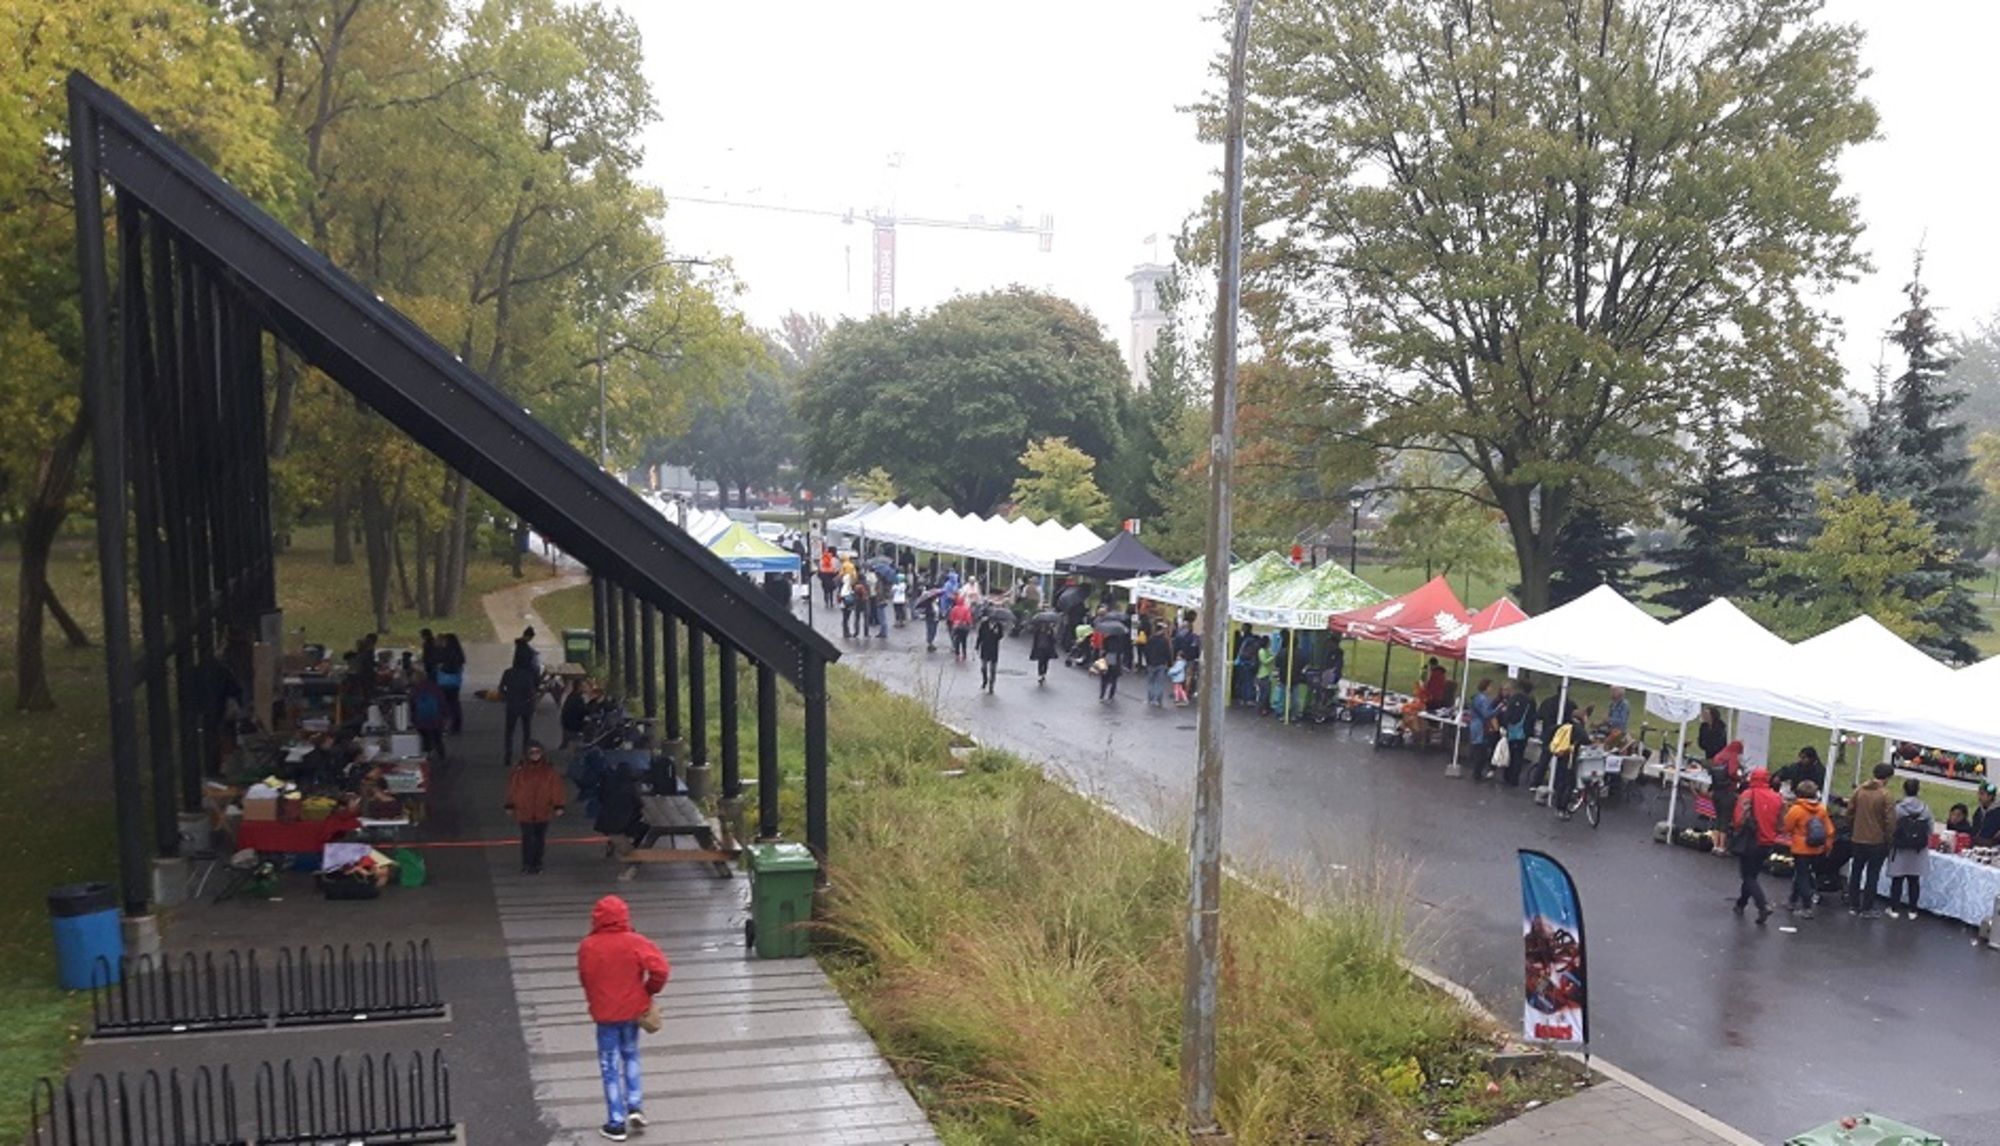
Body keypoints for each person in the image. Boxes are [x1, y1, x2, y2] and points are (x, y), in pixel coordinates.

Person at [576, 895, 670, 1141]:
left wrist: (596, 1000)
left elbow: (586, 978)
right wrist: (649, 990)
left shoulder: (588, 945)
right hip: (632, 1011)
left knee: (609, 1066)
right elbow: (661, 968)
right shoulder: (635, 941)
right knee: (631, 1055)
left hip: (605, 1016)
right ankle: (635, 1106)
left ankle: (615, 1123)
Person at [1731, 766, 1783, 923]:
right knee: (1752, 875)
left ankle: (1762, 905)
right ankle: (1741, 903)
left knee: (1747, 876)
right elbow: (1781, 824)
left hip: (1750, 840)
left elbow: (1739, 819)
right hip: (1767, 842)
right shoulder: (1777, 797)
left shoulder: (1748, 794)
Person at [505, 741, 565, 875]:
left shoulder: (549, 772)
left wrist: (558, 805)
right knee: (528, 838)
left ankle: (537, 863)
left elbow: (556, 789)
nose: (535, 755)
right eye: (532, 752)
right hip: (524, 810)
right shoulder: (519, 771)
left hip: (542, 810)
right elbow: (513, 789)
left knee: (539, 838)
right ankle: (527, 864)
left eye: (537, 752)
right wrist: (510, 804)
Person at [1846, 762, 1897, 918]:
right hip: (1877, 841)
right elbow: (1890, 821)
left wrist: (1853, 828)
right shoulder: (1886, 795)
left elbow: (1850, 811)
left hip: (1858, 837)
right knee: (1872, 874)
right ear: (1887, 778)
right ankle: (1867, 907)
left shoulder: (1859, 790)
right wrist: (1889, 839)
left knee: (1856, 871)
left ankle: (1853, 904)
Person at [1782, 779, 1834, 918]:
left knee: (1802, 876)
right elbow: (1829, 830)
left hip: (1800, 848)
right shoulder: (1821, 810)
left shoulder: (1797, 809)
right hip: (1816, 848)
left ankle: (1806, 906)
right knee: (1802, 874)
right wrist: (1827, 847)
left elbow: (1787, 827)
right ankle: (1792, 900)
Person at [1886, 777, 1934, 921]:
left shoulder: (1899, 808)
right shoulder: (1925, 808)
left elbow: (1891, 825)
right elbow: (1930, 828)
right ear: (1918, 791)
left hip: (1900, 849)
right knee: (1914, 880)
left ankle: (1894, 908)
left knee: (1898, 879)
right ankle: (1913, 910)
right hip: (1918, 850)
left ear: (1904, 790)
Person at [1550, 702, 1589, 816]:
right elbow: (1586, 740)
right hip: (1570, 758)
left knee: (1561, 780)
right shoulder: (1578, 728)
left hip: (1561, 755)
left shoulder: (1566, 725)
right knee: (1569, 783)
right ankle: (1562, 808)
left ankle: (1558, 803)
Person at [499, 660, 540, 765]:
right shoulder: (529, 674)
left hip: (512, 705)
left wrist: (507, 696)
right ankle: (525, 754)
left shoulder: (508, 672)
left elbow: (501, 688)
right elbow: (533, 689)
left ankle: (508, 753)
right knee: (526, 731)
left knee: (509, 731)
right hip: (526, 705)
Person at [1500, 682, 1534, 787]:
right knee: (1519, 755)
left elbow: (1507, 714)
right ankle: (1514, 779)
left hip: (1512, 730)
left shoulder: (1514, 698)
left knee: (1510, 753)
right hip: (1523, 732)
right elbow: (1532, 717)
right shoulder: (1531, 701)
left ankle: (1506, 775)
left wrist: (1506, 725)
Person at [409, 669, 447, 757]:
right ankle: (441, 754)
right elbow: (442, 702)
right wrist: (445, 715)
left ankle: (427, 754)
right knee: (438, 738)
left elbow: (412, 706)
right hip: (436, 719)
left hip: (421, 720)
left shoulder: (415, 690)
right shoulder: (435, 687)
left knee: (425, 738)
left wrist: (412, 718)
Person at [1468, 678, 1498, 780]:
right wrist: (1498, 709)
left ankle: (1476, 773)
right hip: (1481, 727)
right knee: (1481, 752)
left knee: (1478, 750)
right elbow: (1486, 714)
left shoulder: (1477, 697)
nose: (1492, 688)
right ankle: (1477, 774)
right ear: (1486, 687)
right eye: (1490, 686)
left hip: (1475, 725)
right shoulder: (1483, 699)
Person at [436, 634, 467, 734]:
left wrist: (440, 667)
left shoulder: (445, 652)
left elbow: (445, 667)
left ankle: (446, 725)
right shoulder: (459, 653)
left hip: (444, 682)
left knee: (445, 704)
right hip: (455, 683)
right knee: (454, 703)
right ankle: (456, 725)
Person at [1143, 622, 1173, 707]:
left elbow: (1146, 651)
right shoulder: (1164, 641)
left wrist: (1147, 661)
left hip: (1151, 663)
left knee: (1151, 682)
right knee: (1159, 682)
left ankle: (1150, 698)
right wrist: (1169, 663)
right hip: (1161, 663)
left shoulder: (1150, 639)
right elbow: (1168, 653)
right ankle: (1157, 699)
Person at [975, 609, 1006, 692]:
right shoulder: (984, 624)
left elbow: (1000, 636)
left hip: (994, 649)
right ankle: (985, 680)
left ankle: (991, 685)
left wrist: (997, 633)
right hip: (985, 648)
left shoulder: (999, 626)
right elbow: (980, 636)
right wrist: (977, 646)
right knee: (983, 667)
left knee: (993, 669)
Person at [1098, 626, 1127, 702]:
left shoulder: (1106, 639)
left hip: (1106, 660)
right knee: (1114, 679)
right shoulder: (1121, 641)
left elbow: (1102, 650)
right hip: (1116, 661)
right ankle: (1110, 696)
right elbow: (1122, 652)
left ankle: (1102, 695)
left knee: (1104, 679)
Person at [1029, 613, 1060, 684]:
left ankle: (1044, 674)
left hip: (1048, 649)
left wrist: (1051, 635)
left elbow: (1054, 641)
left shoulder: (1050, 631)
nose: (1043, 625)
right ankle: (1040, 674)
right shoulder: (1037, 631)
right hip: (1040, 648)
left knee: (1045, 662)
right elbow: (1035, 639)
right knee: (1040, 661)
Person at [561, 678, 591, 748]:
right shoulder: (578, 699)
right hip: (574, 728)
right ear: (580, 687)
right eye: (585, 686)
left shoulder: (572, 696)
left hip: (567, 726)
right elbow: (585, 712)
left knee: (565, 745)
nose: (587, 687)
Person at [948, 596, 974, 661]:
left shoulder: (954, 608)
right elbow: (968, 618)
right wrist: (970, 624)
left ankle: (957, 654)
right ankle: (964, 654)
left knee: (957, 641)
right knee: (964, 640)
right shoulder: (966, 608)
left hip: (956, 626)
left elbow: (951, 618)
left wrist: (953, 623)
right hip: (964, 626)